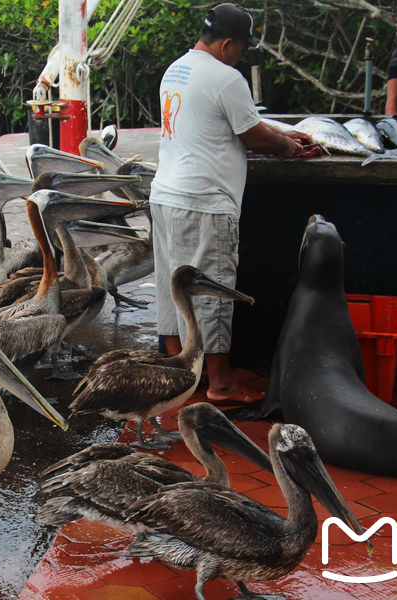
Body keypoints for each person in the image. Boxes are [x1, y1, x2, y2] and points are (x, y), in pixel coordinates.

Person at [150, 3, 311, 405]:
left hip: (165, 195)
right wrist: (288, 146)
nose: (242, 54)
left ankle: (178, 378)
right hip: (204, 201)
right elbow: (254, 136)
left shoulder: (177, 69)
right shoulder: (227, 77)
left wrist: (281, 133)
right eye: (241, 47)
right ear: (226, 44)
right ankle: (220, 384)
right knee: (211, 291)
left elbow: (234, 123)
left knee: (173, 287)